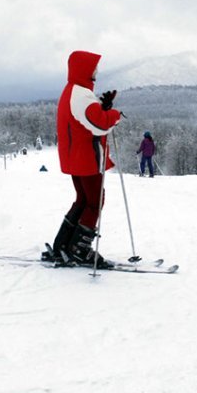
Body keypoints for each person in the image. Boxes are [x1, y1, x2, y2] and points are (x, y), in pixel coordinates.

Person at [44, 50, 121, 267]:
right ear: (85, 69)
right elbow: (99, 124)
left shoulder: (73, 91)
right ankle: (79, 250)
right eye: (94, 67)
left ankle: (64, 245)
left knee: (83, 199)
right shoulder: (81, 94)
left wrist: (102, 108)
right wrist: (113, 115)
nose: (96, 71)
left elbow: (85, 118)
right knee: (95, 201)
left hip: (75, 155)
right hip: (86, 156)